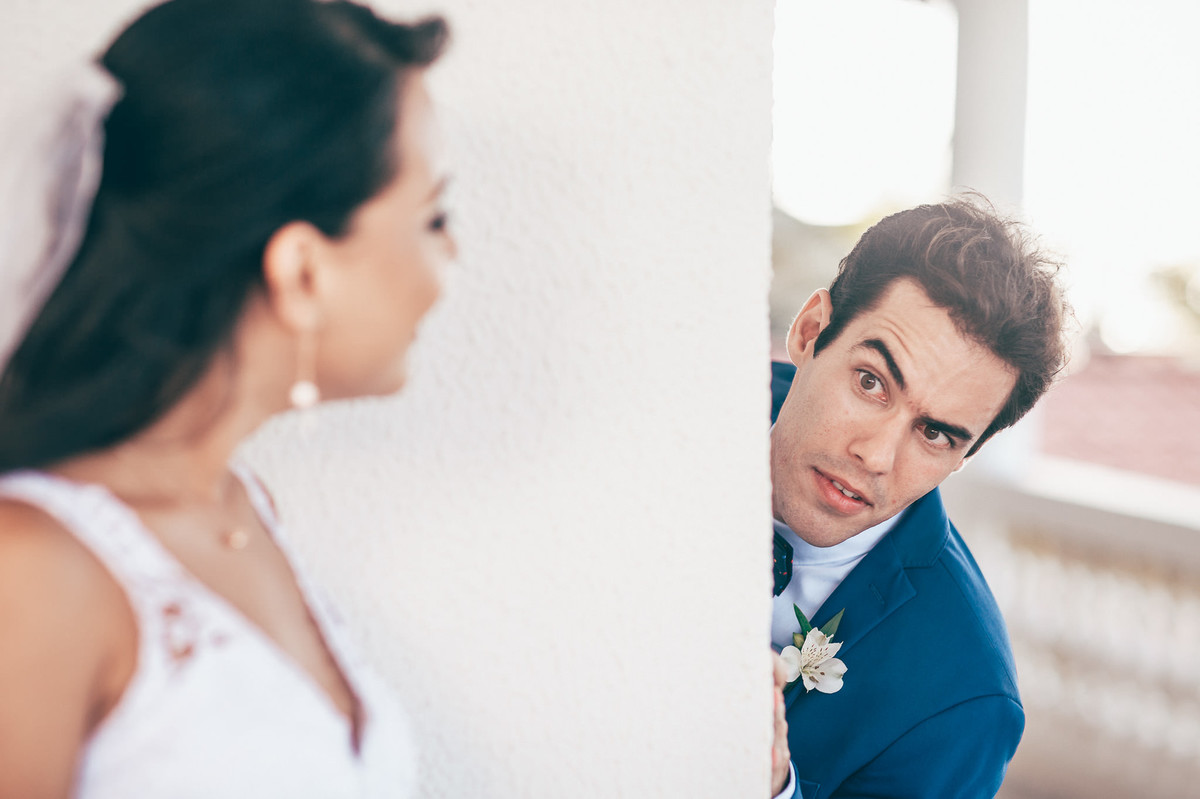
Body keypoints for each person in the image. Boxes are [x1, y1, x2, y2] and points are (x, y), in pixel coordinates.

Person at [0, 0, 454, 796]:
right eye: (433, 218)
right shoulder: (29, 571)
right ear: (304, 270)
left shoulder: (247, 510)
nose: (448, 262)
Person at [765, 198, 1069, 799]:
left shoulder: (966, 699)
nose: (876, 457)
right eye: (871, 382)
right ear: (809, 333)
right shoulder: (659, 422)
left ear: (963, 457)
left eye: (934, 433)